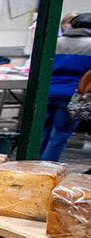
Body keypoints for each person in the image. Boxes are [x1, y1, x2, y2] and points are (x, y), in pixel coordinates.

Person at [39, 12, 91, 161]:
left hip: (48, 92)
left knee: (41, 133)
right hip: (71, 95)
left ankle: (32, 166)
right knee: (60, 135)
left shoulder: (55, 42)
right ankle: (46, 169)